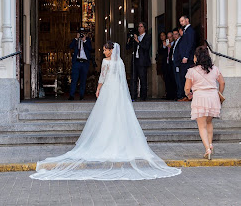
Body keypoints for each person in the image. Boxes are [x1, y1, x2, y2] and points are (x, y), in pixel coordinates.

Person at [30, 41, 181, 180]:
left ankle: (105, 140)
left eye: (105, 49)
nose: (103, 52)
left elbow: (102, 76)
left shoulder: (106, 62)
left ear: (110, 50)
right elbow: (122, 79)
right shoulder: (120, 62)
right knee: (118, 115)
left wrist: (98, 89)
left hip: (109, 88)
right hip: (118, 90)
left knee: (106, 115)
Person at [184, 46, 225, 160]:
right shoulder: (215, 69)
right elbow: (222, 82)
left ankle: (207, 149)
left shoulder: (192, 71)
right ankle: (210, 145)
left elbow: (187, 88)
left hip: (200, 97)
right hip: (213, 97)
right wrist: (219, 94)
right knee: (209, 123)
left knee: (201, 125)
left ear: (197, 57)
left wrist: (189, 95)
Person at [127, 22, 152, 101]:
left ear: (144, 28)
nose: (139, 28)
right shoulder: (135, 37)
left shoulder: (147, 37)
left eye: (141, 27)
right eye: (138, 27)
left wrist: (138, 41)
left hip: (143, 61)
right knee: (134, 78)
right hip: (135, 60)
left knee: (143, 78)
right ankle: (133, 96)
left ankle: (143, 96)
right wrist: (129, 40)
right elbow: (127, 47)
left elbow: (146, 47)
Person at [68, 28, 93, 100]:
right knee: (74, 79)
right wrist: (76, 38)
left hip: (84, 63)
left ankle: (82, 95)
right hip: (77, 62)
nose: (81, 35)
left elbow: (90, 48)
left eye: (83, 33)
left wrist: (84, 40)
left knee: (83, 79)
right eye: (80, 33)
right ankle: (71, 95)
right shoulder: (75, 41)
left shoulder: (87, 40)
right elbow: (70, 46)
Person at [178, 15, 196, 101]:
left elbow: (190, 44)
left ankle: (188, 96)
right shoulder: (185, 30)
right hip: (184, 58)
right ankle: (185, 95)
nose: (181, 23)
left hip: (187, 59)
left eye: (182, 21)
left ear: (187, 20)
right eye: (180, 22)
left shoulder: (190, 31)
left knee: (186, 77)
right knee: (183, 76)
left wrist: (186, 56)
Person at [172, 27, 185, 100]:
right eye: (173, 34)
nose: (175, 36)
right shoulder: (175, 42)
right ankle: (179, 94)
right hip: (175, 63)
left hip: (179, 64)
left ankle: (181, 95)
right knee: (177, 80)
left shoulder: (181, 41)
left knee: (180, 80)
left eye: (176, 34)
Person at [164, 31, 177, 100]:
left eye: (170, 37)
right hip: (167, 64)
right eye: (168, 37)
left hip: (173, 64)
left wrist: (170, 47)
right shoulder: (166, 44)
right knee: (167, 80)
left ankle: (174, 95)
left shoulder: (175, 43)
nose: (169, 39)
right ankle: (168, 95)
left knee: (173, 79)